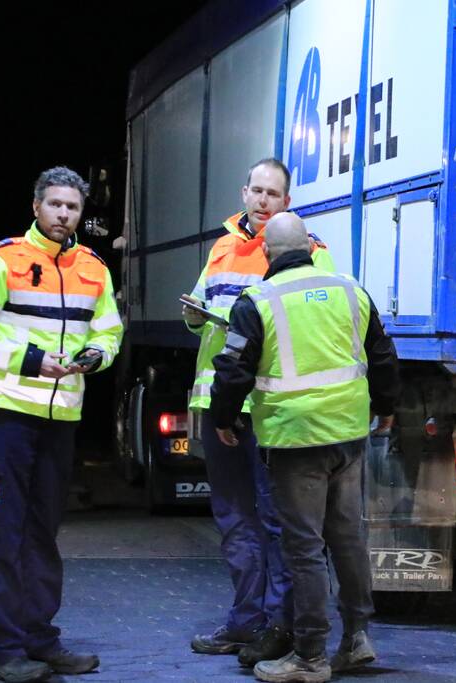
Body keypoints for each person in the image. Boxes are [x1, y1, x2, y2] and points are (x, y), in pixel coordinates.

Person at [210, 212, 399, 683]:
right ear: (312, 247)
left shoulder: (258, 300)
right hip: (349, 437)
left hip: (296, 441)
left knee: (305, 547)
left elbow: (233, 370)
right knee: (348, 538)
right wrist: (387, 406)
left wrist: (224, 418)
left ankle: (310, 655)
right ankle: (357, 638)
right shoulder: (352, 291)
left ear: (269, 254)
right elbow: (383, 354)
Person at [0, 166, 123, 683]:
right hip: (6, 418)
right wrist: (29, 360)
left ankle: (39, 640)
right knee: (4, 536)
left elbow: (110, 327)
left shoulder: (94, 266)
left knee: (43, 536)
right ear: (36, 207)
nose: (63, 214)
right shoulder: (2, 259)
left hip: (59, 423)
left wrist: (96, 354)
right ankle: (5, 649)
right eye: (54, 204)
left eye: (71, 207)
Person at [184, 158, 336, 667]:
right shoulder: (222, 247)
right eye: (257, 191)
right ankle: (245, 621)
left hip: (271, 408)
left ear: (287, 202)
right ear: (244, 191)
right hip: (218, 400)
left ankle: (279, 625)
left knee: (276, 522)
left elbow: (324, 319)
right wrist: (192, 316)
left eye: (274, 194)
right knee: (234, 520)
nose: (264, 200)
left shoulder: (311, 254)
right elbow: (203, 316)